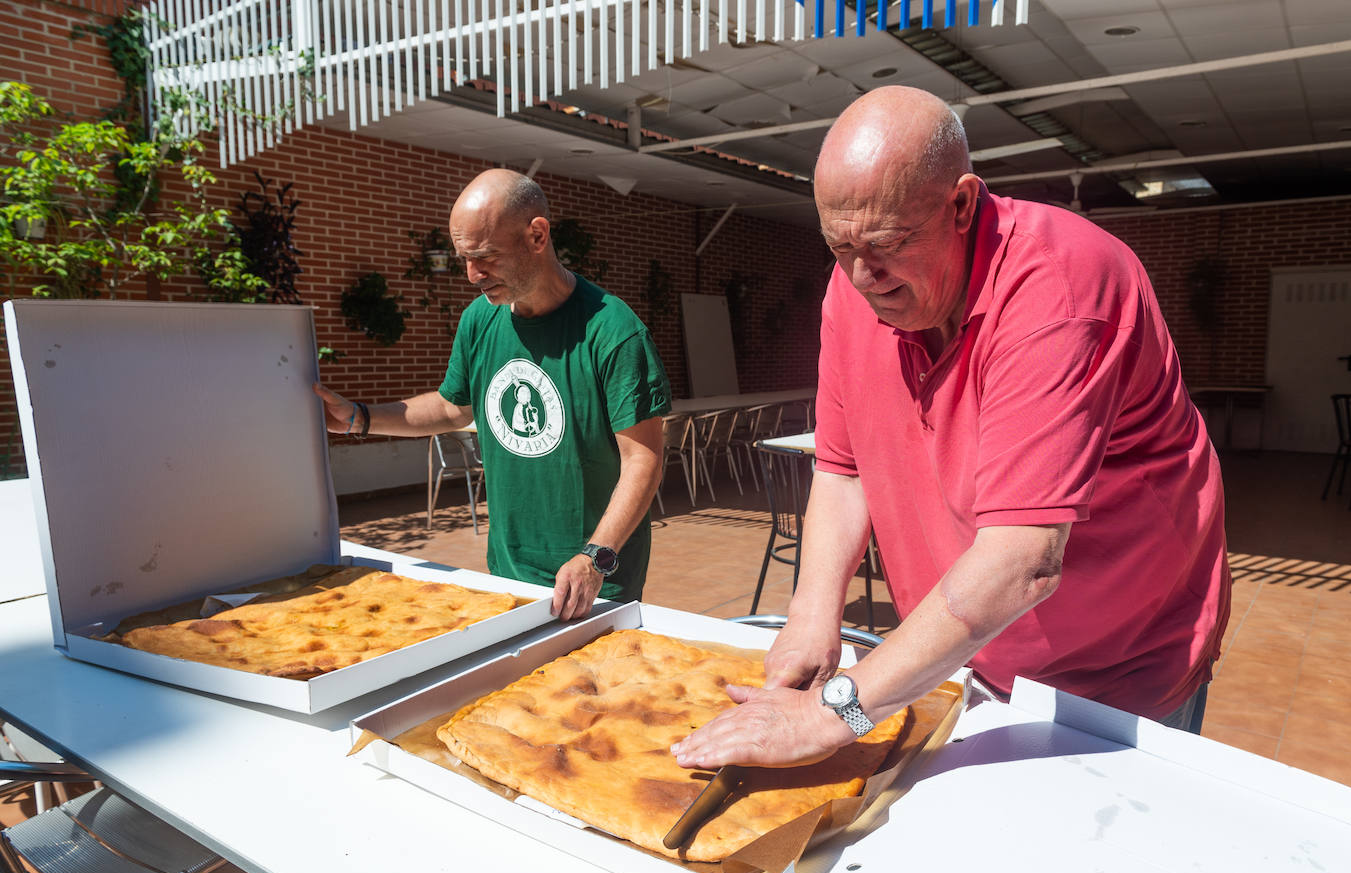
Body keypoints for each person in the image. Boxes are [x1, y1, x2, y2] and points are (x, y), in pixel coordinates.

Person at [671, 86, 1229, 771]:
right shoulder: (855, 288)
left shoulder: (1060, 289)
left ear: (961, 204)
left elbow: (1022, 563)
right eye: (838, 246)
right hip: (971, 652)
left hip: (1120, 675)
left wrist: (831, 716)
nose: (862, 275)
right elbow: (843, 472)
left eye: (884, 244)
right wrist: (811, 621)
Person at [315, 169, 670, 620]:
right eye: (464, 258)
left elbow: (644, 460)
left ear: (537, 236)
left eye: (485, 257)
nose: (471, 275)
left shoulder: (612, 331)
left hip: (593, 583)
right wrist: (358, 418)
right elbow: (453, 406)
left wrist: (594, 558)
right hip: (505, 575)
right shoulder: (480, 320)